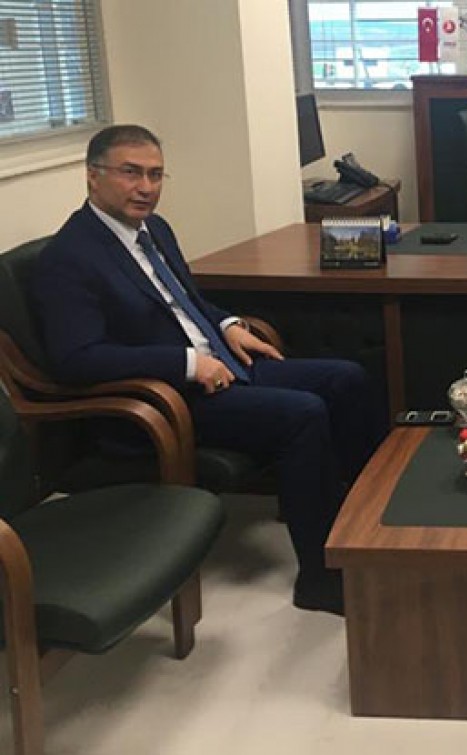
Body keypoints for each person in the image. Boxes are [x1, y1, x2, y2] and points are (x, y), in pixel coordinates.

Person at [34, 125, 387, 616]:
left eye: (156, 175)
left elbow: (185, 301)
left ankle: (369, 529)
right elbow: (77, 359)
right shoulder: (69, 258)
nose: (146, 187)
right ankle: (321, 579)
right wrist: (186, 364)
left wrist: (229, 324)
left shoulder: (154, 229)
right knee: (302, 414)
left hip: (219, 363)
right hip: (166, 398)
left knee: (347, 378)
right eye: (131, 173)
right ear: (93, 176)